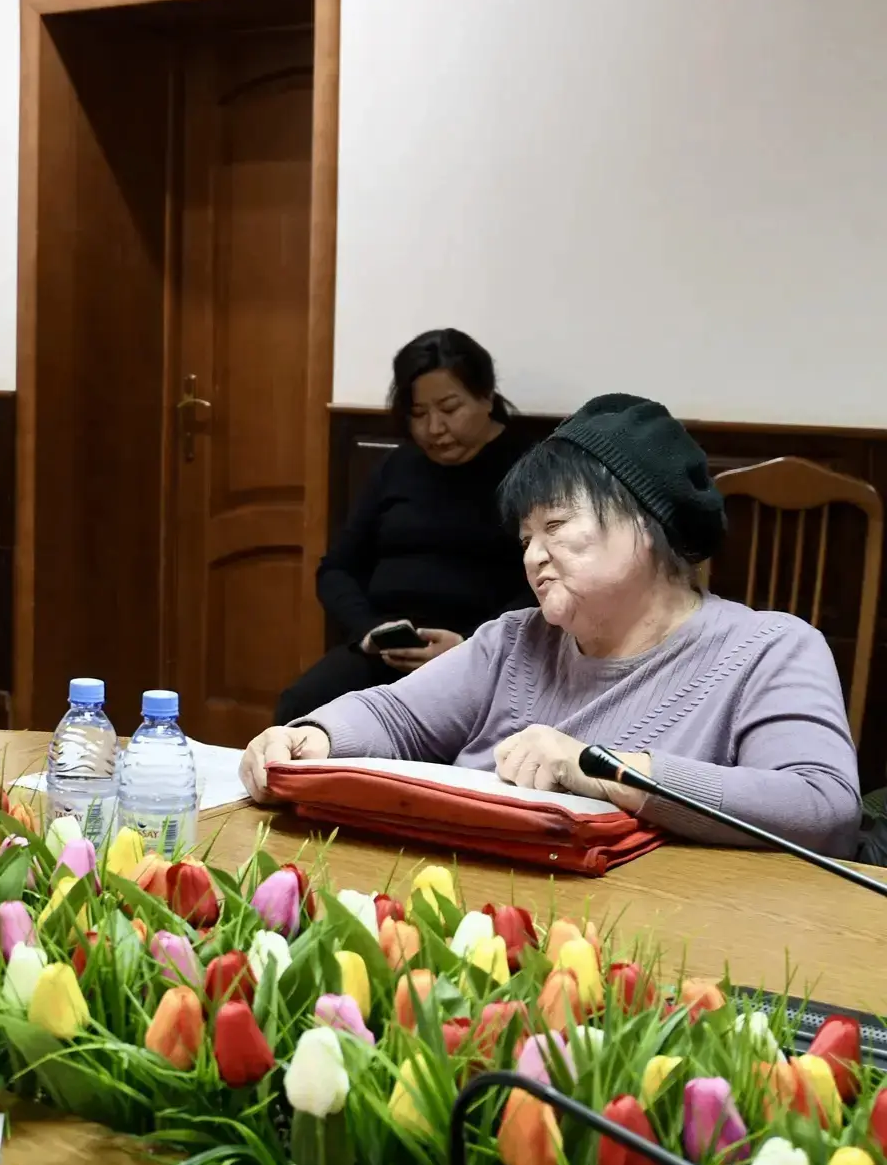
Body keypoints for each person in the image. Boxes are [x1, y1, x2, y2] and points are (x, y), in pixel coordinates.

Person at [241, 394, 863, 856]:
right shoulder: (513, 641)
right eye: (525, 538)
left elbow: (822, 807)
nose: (533, 556)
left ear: (648, 524)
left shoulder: (769, 649)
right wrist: (314, 737)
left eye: (556, 527)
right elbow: (395, 716)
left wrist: (601, 768)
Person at [274, 329, 532, 726]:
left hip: (481, 655)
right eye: (418, 414)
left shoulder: (530, 469)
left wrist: (471, 644)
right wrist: (370, 630)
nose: (435, 428)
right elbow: (336, 569)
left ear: (486, 397)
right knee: (302, 707)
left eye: (450, 408)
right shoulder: (397, 467)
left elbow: (544, 585)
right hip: (387, 650)